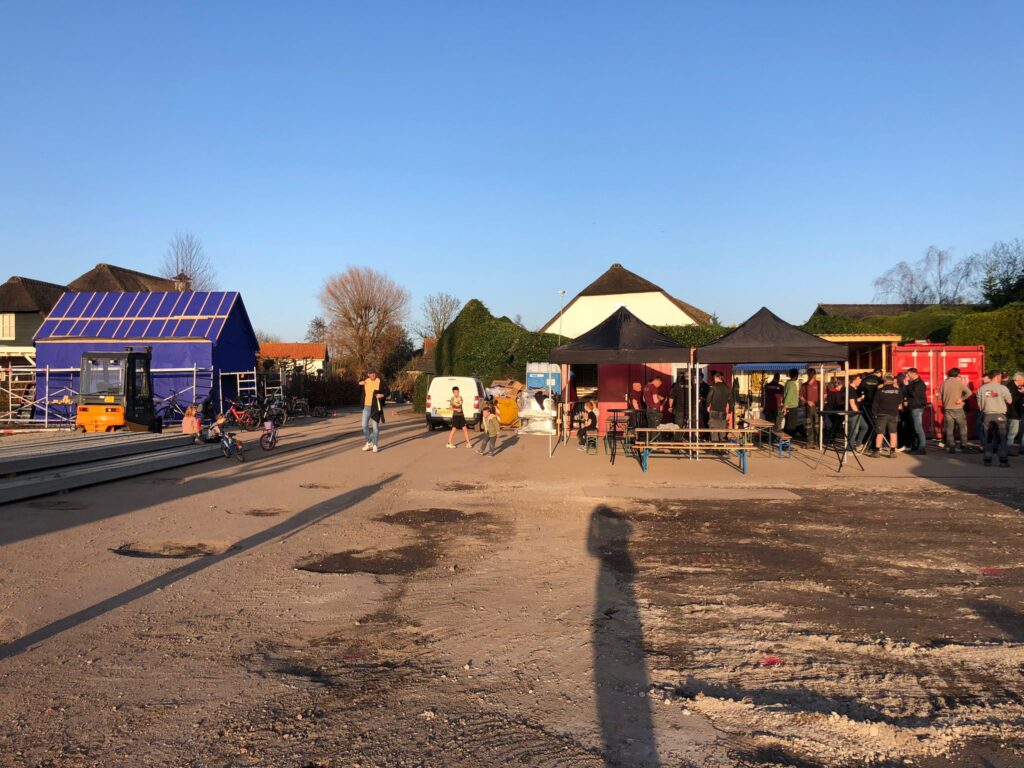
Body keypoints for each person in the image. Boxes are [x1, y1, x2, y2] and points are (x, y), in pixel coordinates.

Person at [977, 370, 1013, 467]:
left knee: (988, 438)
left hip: (987, 416)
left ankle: (987, 460)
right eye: (1000, 376)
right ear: (997, 377)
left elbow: (979, 405)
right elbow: (1010, 401)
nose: (1001, 378)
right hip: (1000, 415)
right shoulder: (1003, 388)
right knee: (1002, 439)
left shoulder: (982, 388)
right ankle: (1003, 461)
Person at [939, 368, 971, 454]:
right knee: (962, 427)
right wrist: (961, 399)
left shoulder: (944, 384)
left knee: (949, 428)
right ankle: (963, 445)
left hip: (947, 409)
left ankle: (951, 446)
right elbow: (969, 392)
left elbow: (939, 397)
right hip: (957, 408)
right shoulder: (958, 383)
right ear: (957, 374)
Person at [870, 374, 902, 458]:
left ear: (884, 381)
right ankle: (892, 452)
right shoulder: (898, 391)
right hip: (894, 414)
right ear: (892, 381)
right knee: (893, 433)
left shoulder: (880, 391)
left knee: (880, 433)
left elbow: (875, 403)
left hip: (882, 414)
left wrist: (874, 414)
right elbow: (900, 402)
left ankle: (877, 451)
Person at [358, 369, 386, 453]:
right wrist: (359, 384)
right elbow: (358, 391)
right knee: (364, 425)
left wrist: (382, 395)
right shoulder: (365, 381)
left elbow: (388, 391)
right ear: (368, 374)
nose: (372, 375)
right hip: (366, 407)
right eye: (370, 374)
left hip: (375, 408)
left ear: (375, 374)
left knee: (375, 427)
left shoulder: (379, 381)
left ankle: (375, 445)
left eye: (373, 373)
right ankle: (369, 442)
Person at [903, 367, 928, 454]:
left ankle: (922, 447)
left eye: (908, 374)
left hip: (917, 407)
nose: (907, 375)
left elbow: (914, 394)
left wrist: (907, 385)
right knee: (914, 428)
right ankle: (916, 446)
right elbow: (910, 394)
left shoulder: (920, 384)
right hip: (913, 407)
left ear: (913, 373)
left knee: (918, 428)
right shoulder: (914, 383)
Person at [706, 370, 731, 441]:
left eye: (714, 377)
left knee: (714, 431)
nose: (713, 379)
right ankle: (722, 446)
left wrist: (708, 405)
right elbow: (730, 401)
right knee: (722, 432)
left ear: (717, 377)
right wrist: (729, 412)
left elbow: (709, 397)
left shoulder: (713, 387)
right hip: (723, 412)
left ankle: (715, 446)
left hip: (714, 411)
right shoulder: (727, 388)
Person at [846, 373, 868, 451]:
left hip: (855, 412)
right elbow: (852, 403)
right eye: (859, 379)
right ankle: (850, 448)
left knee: (865, 427)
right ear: (854, 380)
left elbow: (853, 400)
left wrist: (858, 399)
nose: (860, 381)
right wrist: (857, 412)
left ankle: (858, 444)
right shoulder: (850, 389)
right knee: (854, 431)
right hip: (854, 413)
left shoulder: (852, 389)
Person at [1007, 372, 1024, 456]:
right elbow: (1011, 401)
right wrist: (1020, 393)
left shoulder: (1017, 386)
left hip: (1016, 412)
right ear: (1019, 379)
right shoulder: (1010, 387)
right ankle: (1008, 449)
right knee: (1013, 432)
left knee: (1014, 431)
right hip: (1013, 413)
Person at [782, 368, 800, 436]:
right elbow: (788, 396)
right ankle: (787, 440)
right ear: (796, 375)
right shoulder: (792, 384)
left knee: (788, 424)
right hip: (791, 407)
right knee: (791, 426)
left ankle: (785, 440)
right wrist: (785, 406)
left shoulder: (787, 383)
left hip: (789, 407)